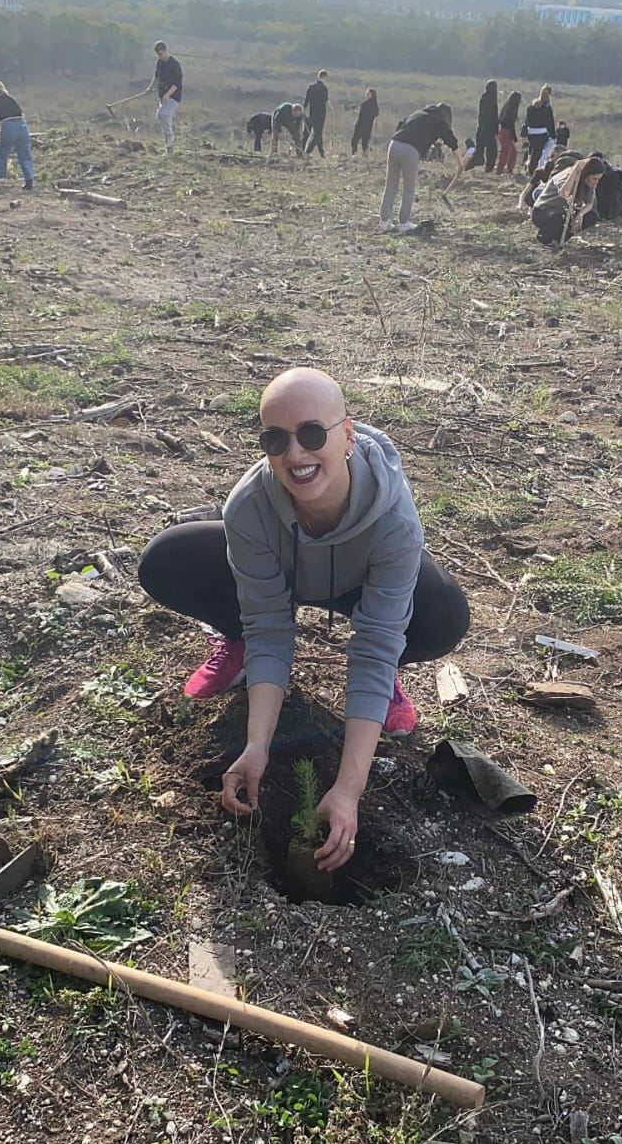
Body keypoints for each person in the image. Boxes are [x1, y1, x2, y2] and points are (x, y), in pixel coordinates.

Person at [138, 368, 470, 872]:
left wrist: (348, 788)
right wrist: (257, 746)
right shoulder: (248, 506)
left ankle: (381, 688)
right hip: (282, 572)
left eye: (313, 434)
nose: (295, 455)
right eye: (276, 439)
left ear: (347, 434)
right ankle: (237, 648)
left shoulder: (393, 518)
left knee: (442, 612)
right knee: (167, 557)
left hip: (359, 583)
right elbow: (270, 625)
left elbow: (377, 640)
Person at [380, 103, 463, 233]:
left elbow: (402, 125)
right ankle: (404, 223)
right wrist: (460, 164)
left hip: (394, 144)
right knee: (409, 187)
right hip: (410, 150)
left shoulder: (419, 113)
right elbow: (452, 141)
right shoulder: (439, 120)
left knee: (391, 184)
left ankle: (385, 222)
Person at [530, 156, 605, 245]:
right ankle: (544, 237)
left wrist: (580, 215)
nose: (596, 182)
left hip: (564, 211)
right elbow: (564, 194)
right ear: (586, 174)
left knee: (591, 216)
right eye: (594, 179)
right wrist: (575, 171)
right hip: (544, 211)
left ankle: (559, 240)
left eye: (598, 179)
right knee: (562, 216)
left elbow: (589, 203)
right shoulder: (567, 175)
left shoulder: (590, 184)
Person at [0, 82, 34, 190]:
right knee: (25, 153)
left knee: (3, 151)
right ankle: (29, 181)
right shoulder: (11, 99)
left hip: (8, 126)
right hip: (22, 125)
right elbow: (20, 114)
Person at [143, 41, 183, 154]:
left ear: (166, 51)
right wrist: (150, 88)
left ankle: (171, 140)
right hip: (162, 97)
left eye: (161, 54)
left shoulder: (175, 64)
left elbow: (177, 84)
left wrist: (167, 95)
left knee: (162, 114)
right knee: (165, 120)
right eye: (158, 54)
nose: (160, 56)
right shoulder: (160, 63)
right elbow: (156, 77)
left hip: (173, 97)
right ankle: (170, 149)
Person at [524, 84, 556, 174]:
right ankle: (535, 168)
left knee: (532, 150)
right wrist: (553, 135)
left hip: (531, 132)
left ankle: (529, 165)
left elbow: (527, 120)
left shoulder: (532, 106)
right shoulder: (547, 108)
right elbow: (550, 123)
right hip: (541, 133)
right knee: (539, 152)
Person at [473, 80, 500, 172]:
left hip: (481, 128)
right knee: (492, 152)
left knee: (479, 149)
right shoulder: (492, 101)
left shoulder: (483, 98)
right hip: (489, 130)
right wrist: (496, 131)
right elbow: (493, 117)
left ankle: (472, 164)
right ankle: (488, 168)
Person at [303, 70, 329, 158]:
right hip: (321, 114)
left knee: (307, 133)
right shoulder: (324, 88)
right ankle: (308, 151)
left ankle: (302, 151)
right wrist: (331, 110)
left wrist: (304, 111)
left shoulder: (311, 87)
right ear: (324, 77)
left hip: (311, 113)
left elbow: (306, 101)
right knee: (318, 134)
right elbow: (326, 101)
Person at [496, 91, 522, 176]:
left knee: (512, 152)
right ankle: (500, 171)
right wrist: (515, 139)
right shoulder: (512, 109)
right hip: (507, 133)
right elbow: (511, 125)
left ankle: (508, 170)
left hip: (503, 132)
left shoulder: (506, 107)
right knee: (506, 153)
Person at [351, 88, 379, 156]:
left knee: (354, 141)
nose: (366, 95)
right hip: (368, 127)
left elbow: (361, 114)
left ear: (371, 95)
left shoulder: (365, 104)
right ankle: (365, 156)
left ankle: (354, 155)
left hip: (360, 125)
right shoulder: (376, 106)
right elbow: (375, 119)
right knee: (365, 143)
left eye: (368, 93)